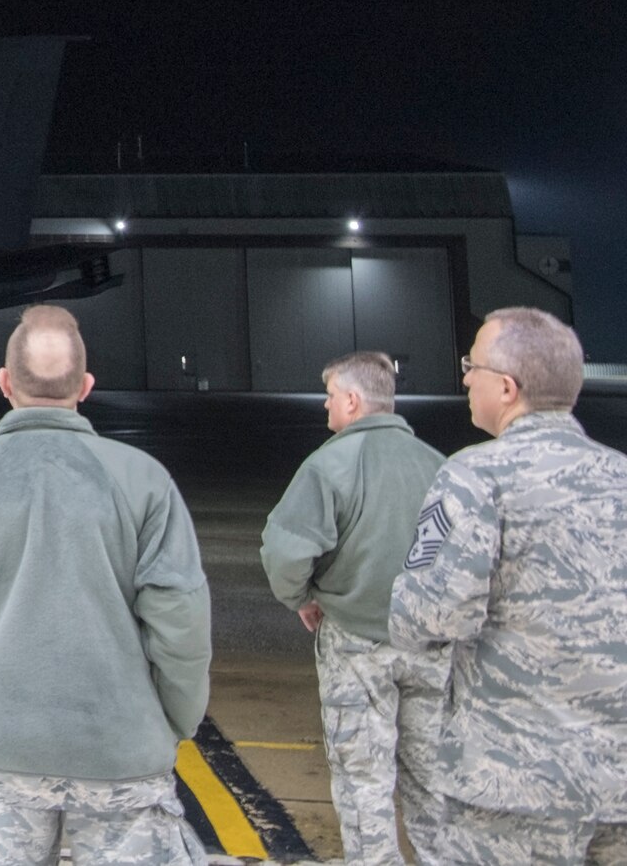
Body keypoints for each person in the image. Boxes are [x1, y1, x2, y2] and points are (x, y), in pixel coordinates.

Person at [0, 304, 211, 865]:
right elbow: (180, 620)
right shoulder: (143, 479)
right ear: (86, 386)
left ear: (3, 383)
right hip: (121, 753)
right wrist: (169, 721)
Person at [390, 307, 627, 864]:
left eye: (471, 365)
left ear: (507, 386)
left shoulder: (475, 476)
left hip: (514, 788)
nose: (465, 377)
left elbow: (426, 617)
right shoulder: (621, 475)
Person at [259, 350, 445, 865]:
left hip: (356, 644)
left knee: (365, 780)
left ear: (352, 400)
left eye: (330, 396)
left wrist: (302, 597)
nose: (325, 407)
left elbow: (285, 551)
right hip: (432, 643)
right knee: (432, 778)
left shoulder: (328, 465)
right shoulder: (439, 465)